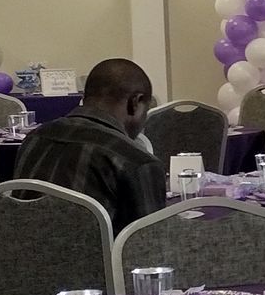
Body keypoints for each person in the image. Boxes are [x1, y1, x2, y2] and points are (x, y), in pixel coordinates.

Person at [12, 56, 166, 233]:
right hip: (99, 260)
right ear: (135, 102)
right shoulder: (137, 162)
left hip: (23, 257)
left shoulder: (34, 139)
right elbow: (150, 246)